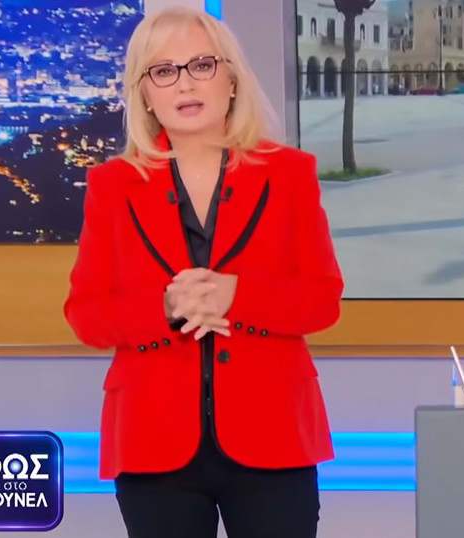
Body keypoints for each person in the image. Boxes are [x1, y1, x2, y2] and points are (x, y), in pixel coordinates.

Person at [63, 7, 344, 538]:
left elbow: (322, 301)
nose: (184, 83)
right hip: (151, 440)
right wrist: (166, 306)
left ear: (231, 79)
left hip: (274, 434)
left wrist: (238, 296)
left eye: (201, 65)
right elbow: (87, 315)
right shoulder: (113, 185)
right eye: (163, 71)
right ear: (145, 94)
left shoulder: (289, 174)